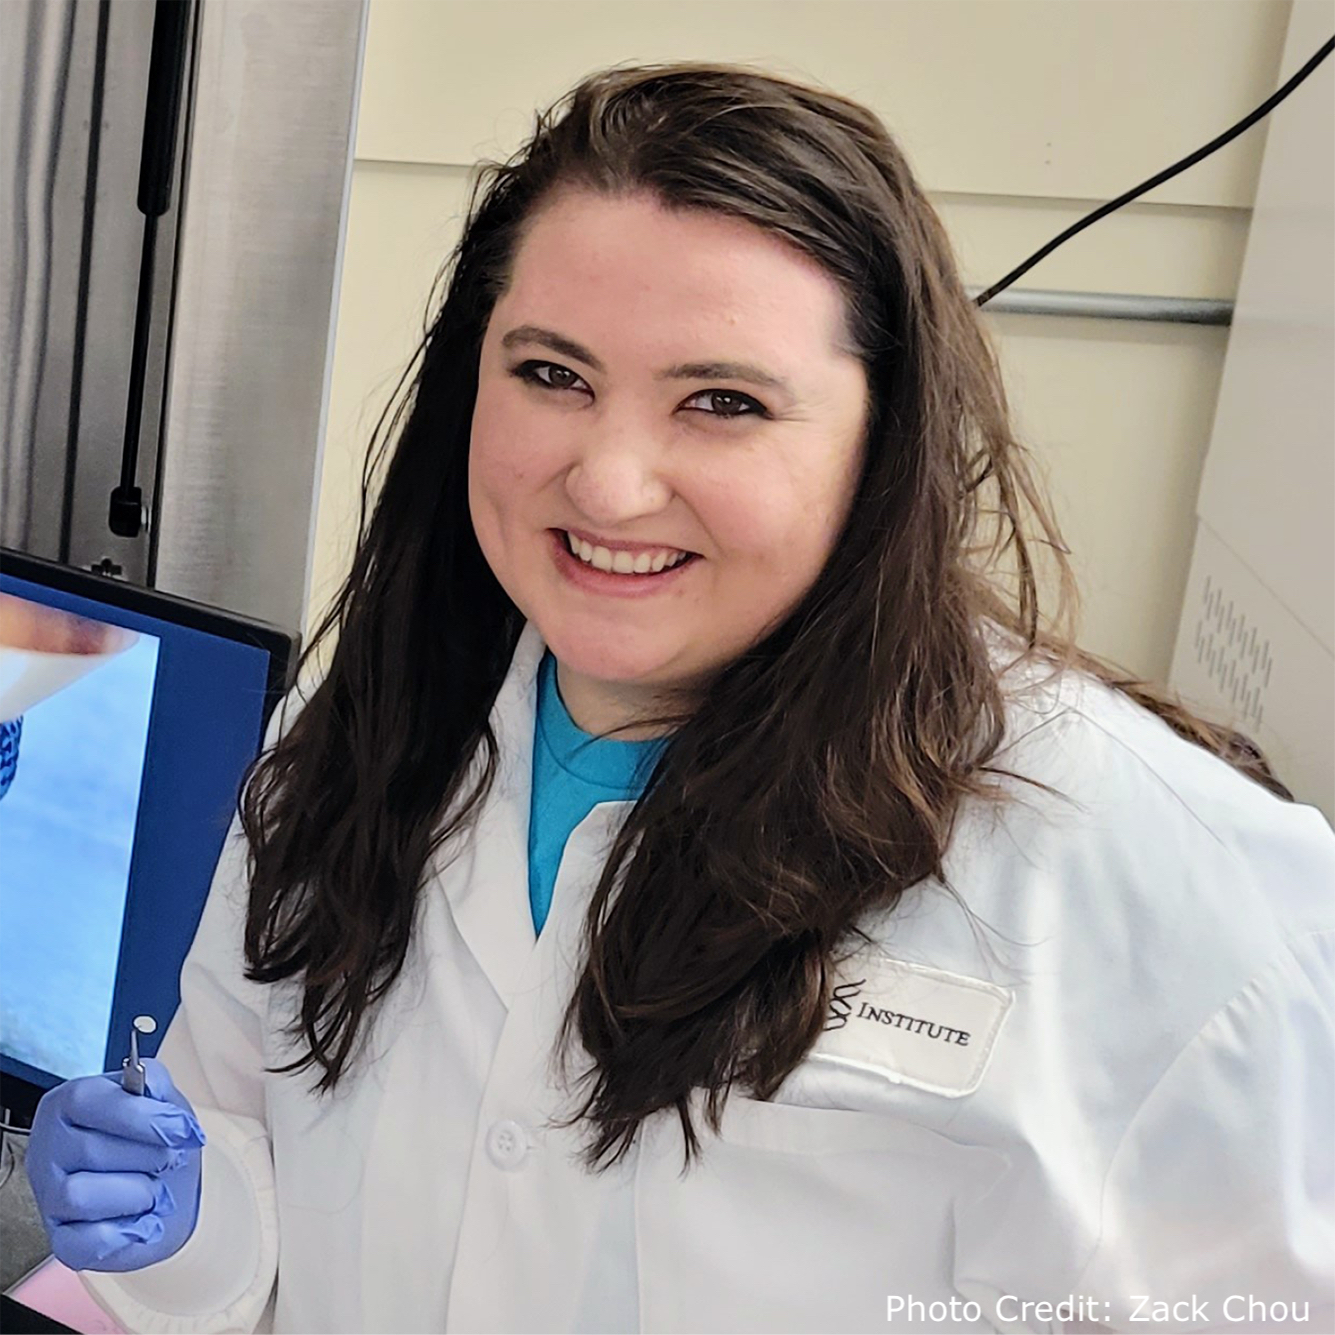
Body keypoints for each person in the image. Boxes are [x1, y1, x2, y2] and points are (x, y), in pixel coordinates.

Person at [25, 63, 1334, 1334]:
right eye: (551, 373)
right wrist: (185, 1229)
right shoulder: (365, 728)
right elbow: (262, 1194)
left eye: (721, 402)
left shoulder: (1168, 891)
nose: (606, 482)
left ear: (884, 444)